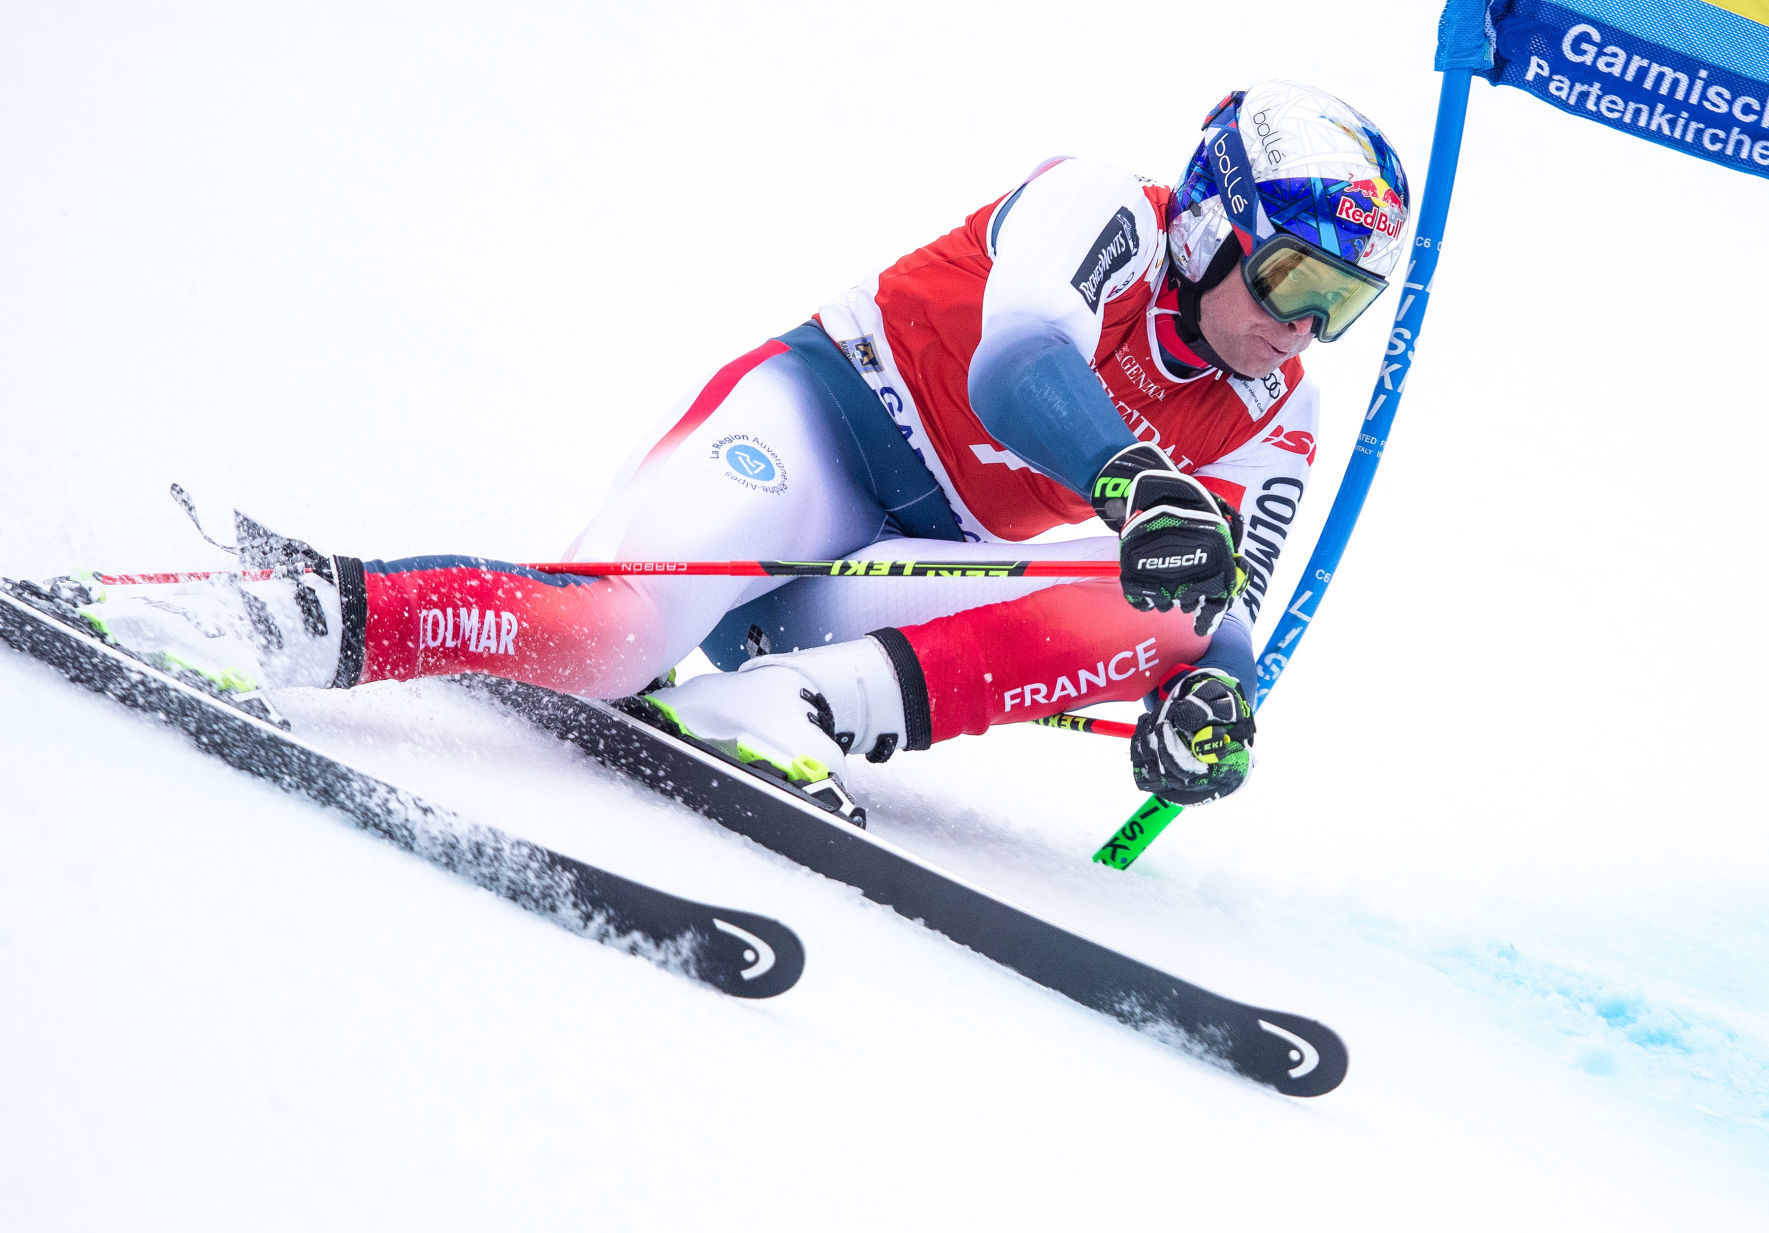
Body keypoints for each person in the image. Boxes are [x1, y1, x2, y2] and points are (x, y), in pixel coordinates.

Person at [43, 80, 1410, 815]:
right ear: (1210, 227)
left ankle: (781, 710)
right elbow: (1020, 365)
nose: (1303, 333)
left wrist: (1210, 706)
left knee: (1177, 601)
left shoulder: (1283, 414)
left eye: (1342, 309)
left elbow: (1218, 611)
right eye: (1296, 281)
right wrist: (1131, 481)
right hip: (825, 425)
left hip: (911, 574)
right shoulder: (1099, 204)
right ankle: (265, 616)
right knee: (615, 636)